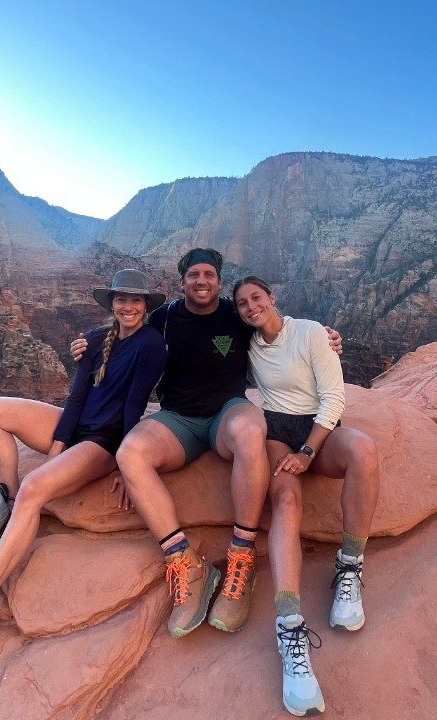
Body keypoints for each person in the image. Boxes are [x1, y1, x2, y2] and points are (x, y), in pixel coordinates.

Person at [0, 269, 167, 675]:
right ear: (111, 304)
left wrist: (128, 464)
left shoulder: (151, 346)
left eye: (136, 300)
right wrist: (57, 446)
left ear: (146, 305)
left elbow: (134, 405)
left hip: (105, 443)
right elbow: (76, 398)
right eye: (121, 300)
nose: (128, 307)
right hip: (77, 429)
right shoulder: (95, 340)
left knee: (37, 489)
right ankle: (7, 495)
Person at [70, 249, 342, 640]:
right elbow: (122, 328)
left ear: (218, 280)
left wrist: (328, 338)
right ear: (182, 282)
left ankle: (241, 558)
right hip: (178, 419)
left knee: (252, 430)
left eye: (209, 274)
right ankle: (186, 563)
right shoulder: (164, 319)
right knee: (130, 452)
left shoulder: (236, 314)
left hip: (226, 414)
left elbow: (279, 327)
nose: (202, 281)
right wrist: (85, 346)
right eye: (194, 274)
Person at [234, 275, 381, 718]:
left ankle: (350, 567)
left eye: (256, 298)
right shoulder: (245, 343)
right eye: (241, 304)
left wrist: (309, 450)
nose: (250, 308)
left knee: (364, 450)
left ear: (272, 298)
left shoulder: (313, 332)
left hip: (318, 428)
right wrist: (96, 344)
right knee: (286, 502)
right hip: (277, 431)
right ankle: (289, 624)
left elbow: (334, 396)